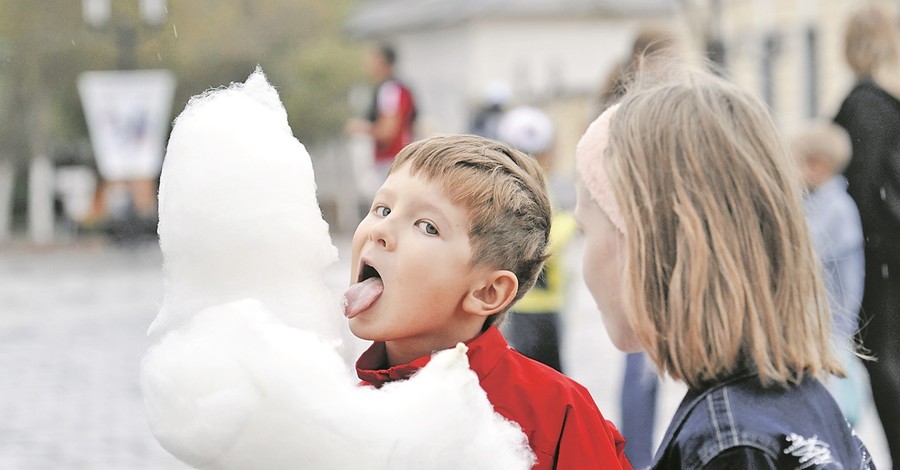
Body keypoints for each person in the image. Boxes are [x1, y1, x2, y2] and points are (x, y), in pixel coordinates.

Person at [574, 61, 874, 468]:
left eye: (586, 230)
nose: (582, 260)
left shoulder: (731, 446)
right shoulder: (805, 407)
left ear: (644, 247)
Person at [342, 134, 632, 470]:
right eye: (383, 208)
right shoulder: (342, 408)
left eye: (427, 226)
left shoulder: (559, 416)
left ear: (488, 292)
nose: (382, 230)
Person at [596, 24, 680, 469]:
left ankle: (642, 453)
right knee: (641, 356)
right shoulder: (630, 112)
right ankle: (640, 457)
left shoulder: (634, 107)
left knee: (646, 356)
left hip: (644, 241)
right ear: (646, 61)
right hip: (640, 244)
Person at [833, 3, 900, 465]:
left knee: (885, 360)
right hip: (882, 259)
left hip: (879, 259)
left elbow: (868, 188)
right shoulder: (871, 103)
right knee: (884, 361)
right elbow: (871, 187)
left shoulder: (865, 103)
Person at [789, 121, 868, 426]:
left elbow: (804, 249)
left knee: (829, 413)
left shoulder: (835, 207)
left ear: (818, 166)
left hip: (830, 328)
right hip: (822, 325)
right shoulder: (822, 202)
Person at [495, 105, 577, 373]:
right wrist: (573, 221)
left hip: (520, 303)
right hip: (535, 303)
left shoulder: (503, 187)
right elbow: (541, 237)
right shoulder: (534, 187)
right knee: (544, 380)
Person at [346, 43, 418, 183]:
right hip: (393, 162)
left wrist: (360, 128)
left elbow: (388, 131)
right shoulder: (388, 88)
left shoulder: (390, 90)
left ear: (381, 61)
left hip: (393, 161)